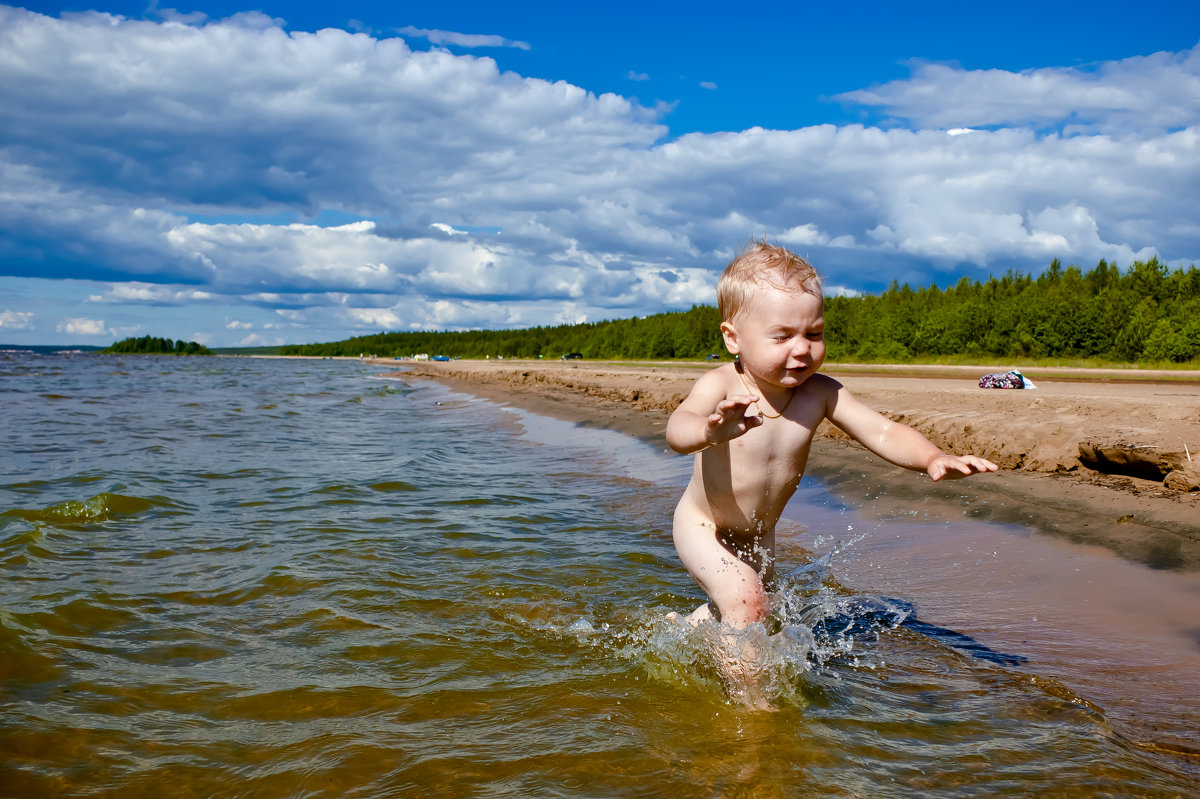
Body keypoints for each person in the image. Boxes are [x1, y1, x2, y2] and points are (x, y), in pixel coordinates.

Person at [665, 240, 997, 706]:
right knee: (748, 604)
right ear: (733, 337)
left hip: (760, 534)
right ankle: (751, 710)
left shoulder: (820, 392)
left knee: (760, 614)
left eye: (814, 334)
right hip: (704, 526)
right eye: (782, 337)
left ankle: (688, 632)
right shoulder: (721, 385)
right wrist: (711, 429)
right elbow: (677, 430)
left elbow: (882, 431)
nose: (802, 350)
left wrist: (931, 457)